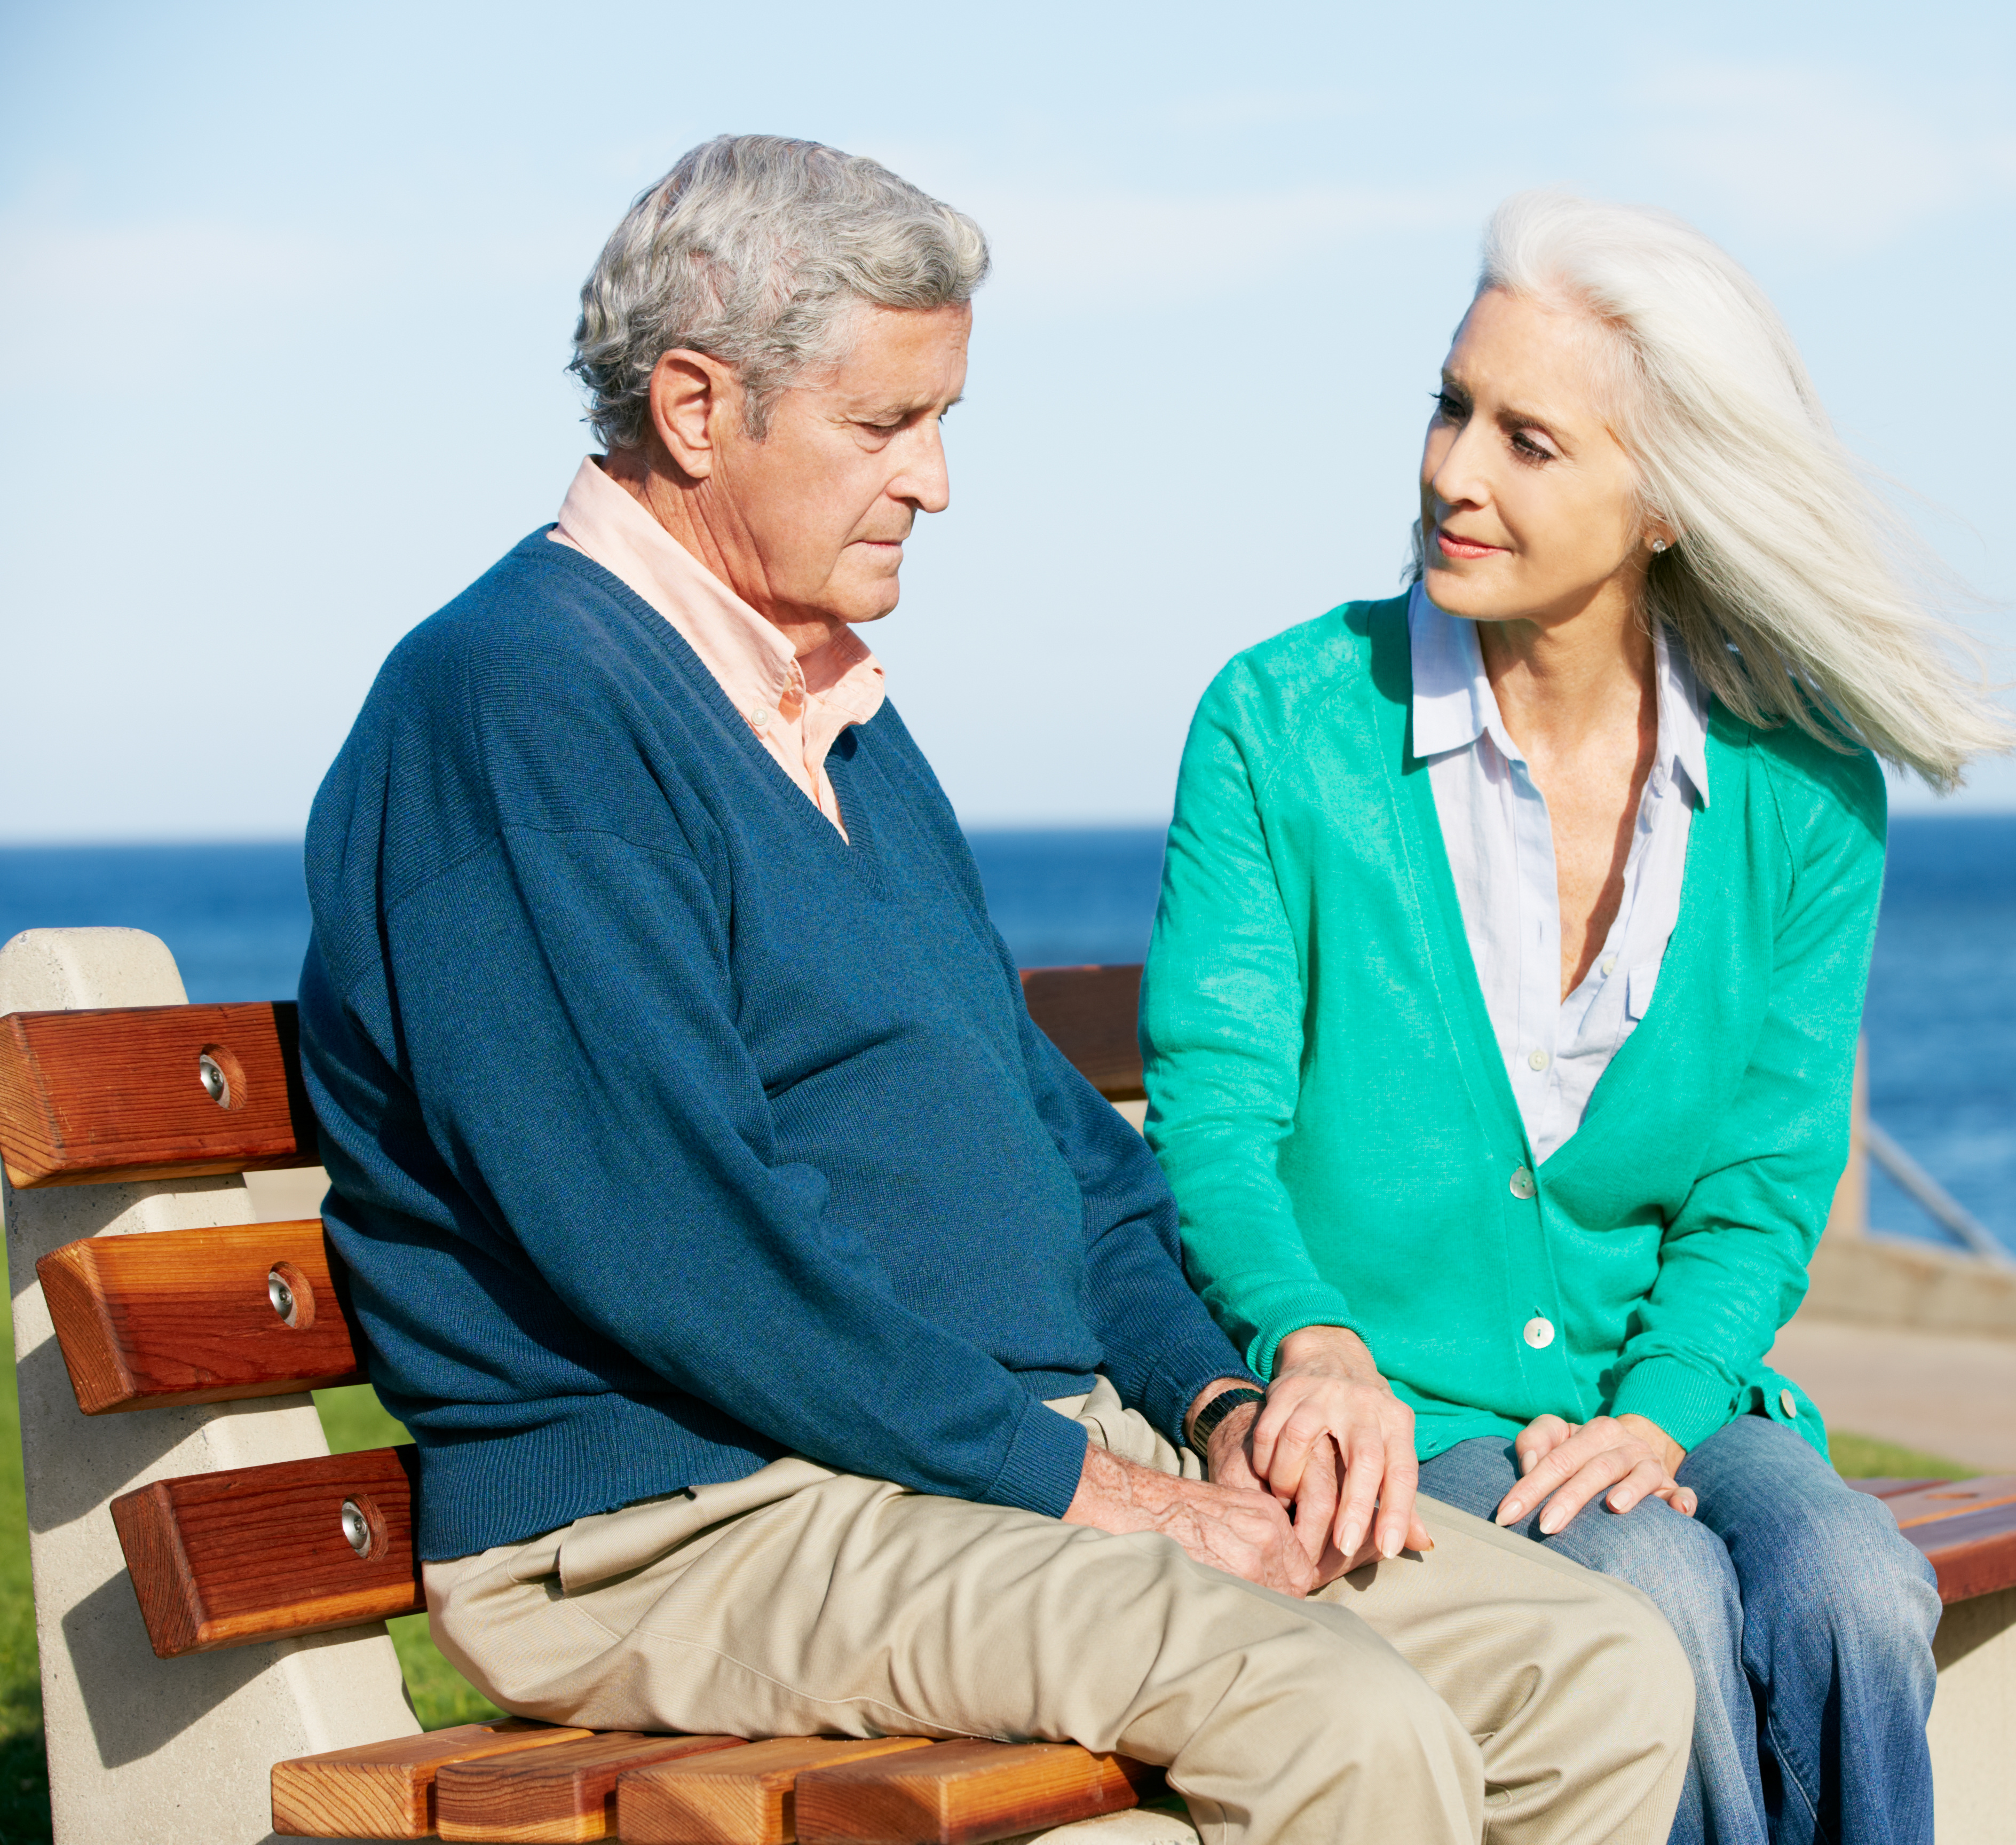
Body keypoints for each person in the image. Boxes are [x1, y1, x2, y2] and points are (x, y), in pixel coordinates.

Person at [296, 138, 1691, 1845]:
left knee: (1600, 1671)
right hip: (696, 1507)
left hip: (955, 1456)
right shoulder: (521, 709)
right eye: (885, 425)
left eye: (942, 420)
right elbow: (689, 1252)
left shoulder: (825, 710)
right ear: (691, 408)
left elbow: (1057, 1139)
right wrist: (1098, 1493)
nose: (935, 482)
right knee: (1335, 1716)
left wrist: (1216, 1406)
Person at [1141, 192, 2016, 1845]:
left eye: (1529, 440)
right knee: (1654, 1599)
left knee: (1855, 1587)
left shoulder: (1804, 785)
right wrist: (1307, 1340)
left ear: (1669, 504)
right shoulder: (1282, 725)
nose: (1453, 472)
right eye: (1450, 406)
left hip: (1669, 1388)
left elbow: (1767, 1177)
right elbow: (1214, 1116)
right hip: (1400, 1411)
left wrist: (1659, 1411)